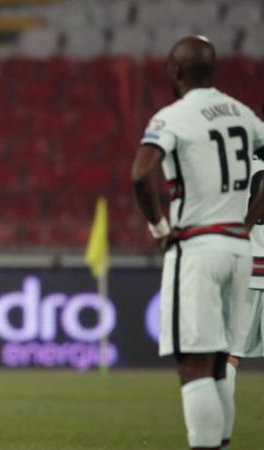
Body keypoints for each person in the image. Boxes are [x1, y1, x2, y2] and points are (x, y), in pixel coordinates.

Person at [132, 35, 264, 450]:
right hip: (240, 249)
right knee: (222, 365)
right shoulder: (244, 114)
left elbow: (141, 173)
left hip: (198, 246)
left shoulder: (175, 116)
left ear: (175, 71)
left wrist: (158, 227)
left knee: (195, 365)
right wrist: (249, 220)